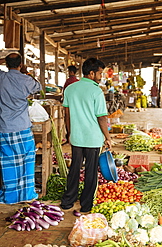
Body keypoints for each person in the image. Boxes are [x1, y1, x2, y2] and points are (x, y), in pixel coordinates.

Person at [0, 53, 42, 204]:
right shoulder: (26, 79)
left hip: (5, 127)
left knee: (9, 162)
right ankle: (27, 194)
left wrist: (2, 61)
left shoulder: (1, 77)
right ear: (21, 64)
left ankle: (11, 196)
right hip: (22, 126)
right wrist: (26, 72)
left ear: (6, 64)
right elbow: (39, 87)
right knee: (26, 161)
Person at [61, 58, 112, 212]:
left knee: (74, 169)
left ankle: (68, 201)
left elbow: (67, 115)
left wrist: (69, 133)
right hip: (93, 138)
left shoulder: (70, 88)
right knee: (91, 171)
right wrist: (108, 138)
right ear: (91, 73)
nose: (101, 76)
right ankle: (86, 204)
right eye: (100, 73)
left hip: (77, 137)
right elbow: (102, 117)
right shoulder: (96, 90)